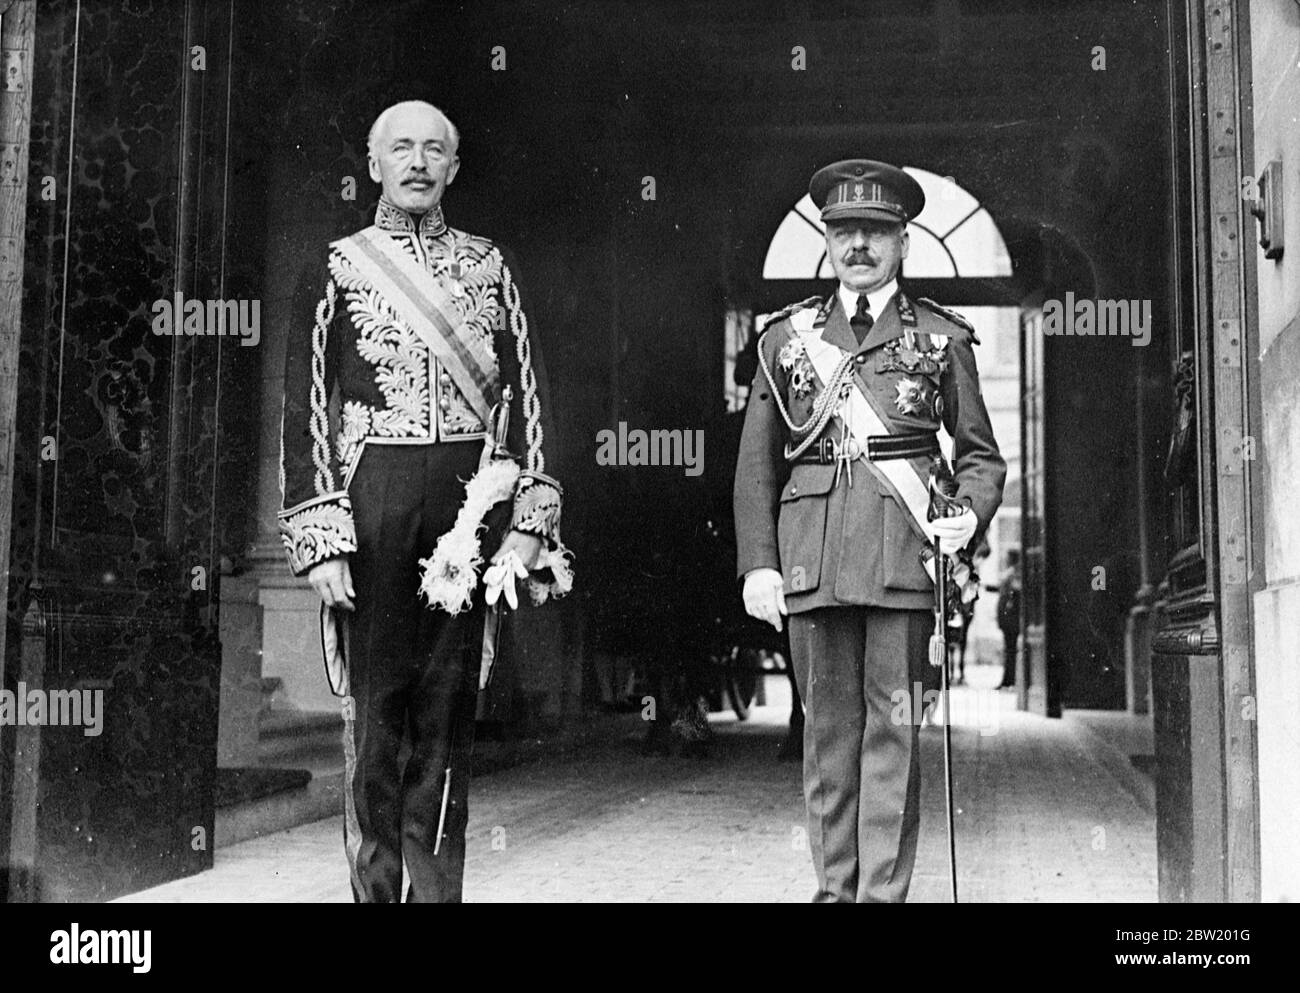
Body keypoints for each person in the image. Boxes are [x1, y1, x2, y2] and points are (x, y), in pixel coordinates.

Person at [277, 100, 570, 903]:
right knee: (376, 722)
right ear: (373, 165)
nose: (416, 162)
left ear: (453, 166)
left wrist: (528, 528)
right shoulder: (337, 264)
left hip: (468, 510)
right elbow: (304, 406)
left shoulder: (491, 263)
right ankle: (375, 894)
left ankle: (439, 896)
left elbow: (531, 397)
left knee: (445, 721)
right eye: (399, 148)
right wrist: (322, 535)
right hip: (372, 504)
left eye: (433, 149)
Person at [734, 159, 1005, 902]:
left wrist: (964, 518)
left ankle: (881, 896)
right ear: (826, 239)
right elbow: (756, 466)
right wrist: (759, 564)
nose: (859, 245)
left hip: (901, 558)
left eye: (875, 231)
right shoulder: (784, 341)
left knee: (893, 737)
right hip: (811, 561)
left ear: (903, 242)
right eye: (844, 230)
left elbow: (981, 455)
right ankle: (834, 891)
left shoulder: (942, 339)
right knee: (827, 737)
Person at [996, 548, 1022, 689]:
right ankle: (1007, 680)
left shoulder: (1012, 575)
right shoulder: (1012, 574)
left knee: (1010, 651)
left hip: (1010, 620)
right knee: (1009, 651)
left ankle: (1009, 680)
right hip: (1007, 620)